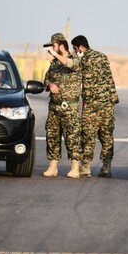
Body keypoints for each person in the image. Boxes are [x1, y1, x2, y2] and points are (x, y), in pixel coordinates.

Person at [71, 35, 119, 178]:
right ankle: (106, 167)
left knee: (87, 135)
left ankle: (85, 167)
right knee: (107, 136)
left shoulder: (83, 60)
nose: (75, 52)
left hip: (92, 104)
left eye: (75, 48)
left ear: (80, 47)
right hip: (107, 103)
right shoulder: (103, 57)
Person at [42, 33, 83, 178]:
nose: (51, 49)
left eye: (53, 46)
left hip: (69, 107)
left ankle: (75, 168)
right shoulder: (53, 64)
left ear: (61, 45)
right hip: (54, 107)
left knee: (72, 137)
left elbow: (71, 65)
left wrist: (56, 54)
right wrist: (50, 85)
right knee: (52, 136)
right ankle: (53, 167)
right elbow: (45, 80)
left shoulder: (75, 59)